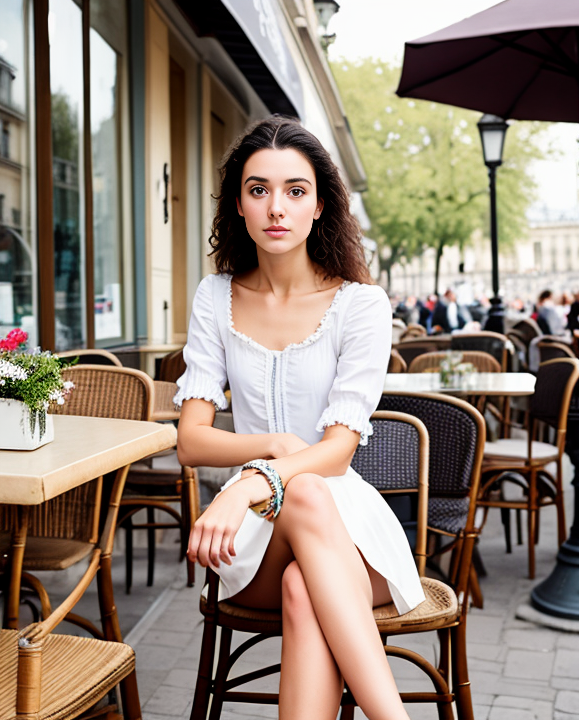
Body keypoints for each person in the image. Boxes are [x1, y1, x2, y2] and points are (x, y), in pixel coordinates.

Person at [175, 117, 423, 720]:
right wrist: (274, 448)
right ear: (237, 204)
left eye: (295, 190)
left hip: (349, 526)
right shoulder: (215, 296)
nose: (276, 207)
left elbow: (339, 450)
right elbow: (191, 441)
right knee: (303, 498)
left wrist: (257, 480)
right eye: (258, 190)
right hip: (256, 539)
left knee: (303, 570)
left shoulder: (360, 305)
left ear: (319, 207)